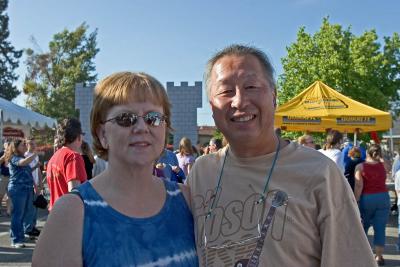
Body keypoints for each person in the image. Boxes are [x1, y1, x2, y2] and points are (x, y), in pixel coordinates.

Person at [187, 44, 375, 266]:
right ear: (212, 106)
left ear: (274, 96)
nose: (239, 101)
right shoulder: (202, 172)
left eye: (251, 86)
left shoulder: (320, 173)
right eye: (226, 91)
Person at [33, 71, 198, 266]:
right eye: (125, 118)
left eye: (153, 118)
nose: (142, 127)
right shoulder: (72, 212)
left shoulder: (188, 201)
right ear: (102, 134)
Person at [355, 144, 390, 266]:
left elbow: (359, 186)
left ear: (367, 153)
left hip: (367, 198)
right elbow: (388, 167)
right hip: (383, 197)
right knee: (380, 228)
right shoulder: (384, 165)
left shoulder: (360, 167)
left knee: (362, 227)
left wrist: (355, 200)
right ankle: (379, 257)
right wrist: (381, 157)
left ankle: (361, 254)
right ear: (379, 153)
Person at [46, 118, 87, 210]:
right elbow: (74, 193)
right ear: (78, 137)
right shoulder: (73, 156)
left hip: (55, 213)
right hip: (68, 215)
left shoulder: (53, 158)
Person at [5, 139, 38, 248]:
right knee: (18, 215)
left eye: (25, 144)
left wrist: (35, 187)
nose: (25, 146)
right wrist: (34, 155)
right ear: (16, 147)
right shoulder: (14, 157)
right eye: (23, 145)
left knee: (24, 215)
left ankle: (20, 237)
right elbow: (22, 163)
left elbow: (28, 172)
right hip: (18, 189)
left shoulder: (24, 157)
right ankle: (15, 240)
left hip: (27, 189)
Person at [24, 138, 43, 238]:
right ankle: (28, 229)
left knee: (35, 207)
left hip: (36, 185)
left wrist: (40, 183)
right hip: (29, 185)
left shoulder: (36, 156)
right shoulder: (26, 156)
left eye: (34, 144)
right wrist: (35, 185)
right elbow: (28, 171)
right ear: (27, 145)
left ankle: (33, 226)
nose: (33, 146)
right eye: (31, 144)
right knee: (30, 208)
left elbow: (38, 170)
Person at [0, 141, 11, 216]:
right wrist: (4, 156)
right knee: (0, 195)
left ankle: (8, 211)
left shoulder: (13, 154)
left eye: (9, 145)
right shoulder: (1, 153)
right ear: (4, 145)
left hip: (12, 177)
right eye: (7, 145)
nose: (8, 147)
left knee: (9, 196)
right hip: (3, 177)